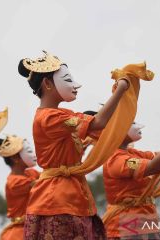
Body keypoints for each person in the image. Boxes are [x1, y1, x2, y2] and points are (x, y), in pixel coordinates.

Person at [18, 51, 131, 239]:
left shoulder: (61, 117)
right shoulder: (50, 117)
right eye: (68, 80)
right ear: (47, 84)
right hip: (57, 199)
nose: (76, 85)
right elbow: (98, 123)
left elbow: (99, 127)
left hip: (73, 195)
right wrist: (120, 90)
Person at [102, 119, 160, 240]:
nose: (137, 126)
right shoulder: (116, 160)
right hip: (126, 227)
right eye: (131, 123)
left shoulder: (132, 153)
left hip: (146, 222)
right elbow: (154, 166)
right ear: (116, 130)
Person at [0, 135, 39, 240]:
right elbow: (44, 182)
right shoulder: (14, 182)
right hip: (21, 232)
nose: (34, 155)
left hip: (34, 227)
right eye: (29, 151)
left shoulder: (31, 173)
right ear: (15, 158)